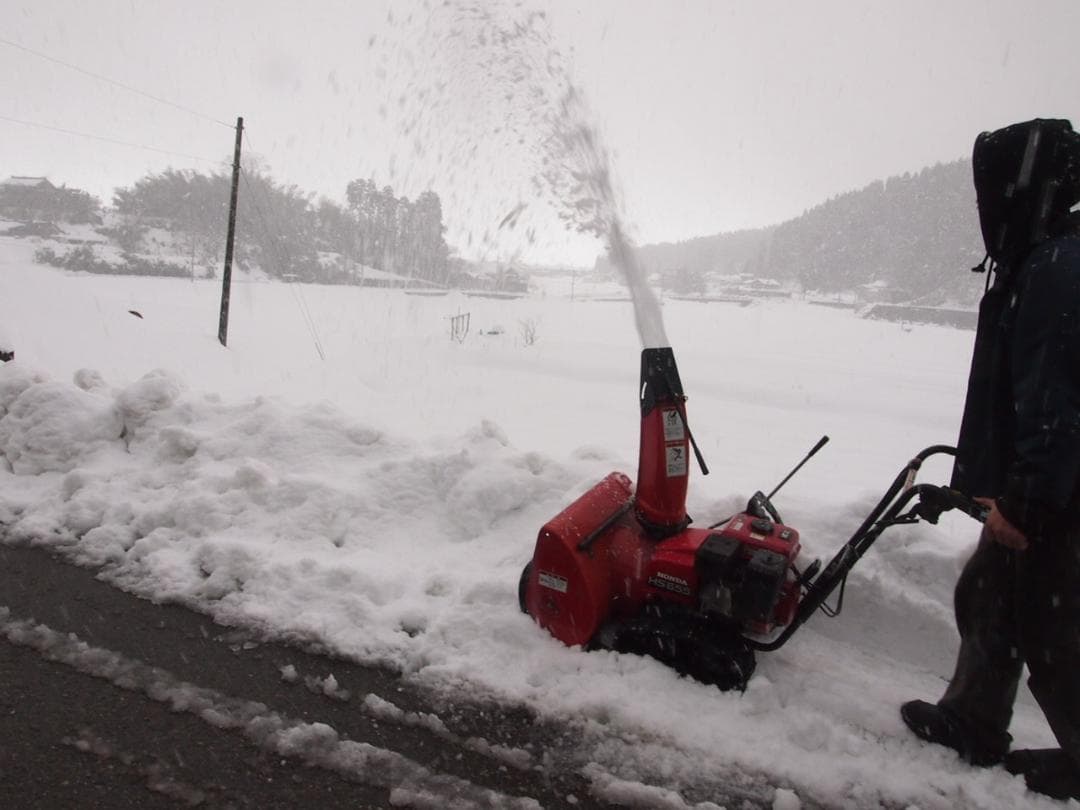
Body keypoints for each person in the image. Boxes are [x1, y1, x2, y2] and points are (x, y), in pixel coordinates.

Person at [900, 118, 1080, 800]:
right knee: (989, 596)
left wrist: (1028, 501)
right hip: (1038, 480)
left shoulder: (1059, 270)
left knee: (1055, 629)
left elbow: (1055, 402)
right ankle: (973, 721)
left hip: (1056, 490)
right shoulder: (1043, 259)